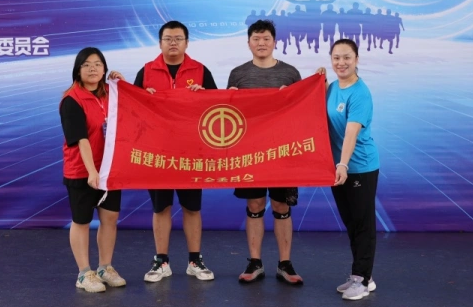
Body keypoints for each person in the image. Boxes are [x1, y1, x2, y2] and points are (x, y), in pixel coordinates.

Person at [133, 21, 218, 283]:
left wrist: (203, 95)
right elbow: (131, 110)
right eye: (168, 38)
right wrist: (142, 97)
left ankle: (195, 260)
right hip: (157, 153)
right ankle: (161, 261)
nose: (173, 43)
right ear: (159, 43)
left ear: (187, 43)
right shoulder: (146, 71)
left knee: (192, 207)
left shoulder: (200, 70)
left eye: (178, 38)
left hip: (190, 152)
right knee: (161, 208)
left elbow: (217, 108)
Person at [226, 20, 304, 285]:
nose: (261, 43)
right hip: (250, 151)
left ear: (275, 42)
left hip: (282, 151)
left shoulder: (290, 73)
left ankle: (285, 264)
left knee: (282, 205)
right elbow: (230, 116)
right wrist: (230, 98)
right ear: (248, 43)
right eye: (256, 39)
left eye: (266, 38)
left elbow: (302, 111)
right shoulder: (238, 74)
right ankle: (254, 262)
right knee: (255, 204)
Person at [315, 39, 380, 300]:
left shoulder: (360, 93)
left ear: (357, 59)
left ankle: (361, 280)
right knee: (352, 223)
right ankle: (363, 274)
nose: (341, 63)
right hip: (338, 168)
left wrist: (342, 164)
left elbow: (351, 133)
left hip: (360, 167)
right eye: (336, 58)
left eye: (347, 57)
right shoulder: (332, 87)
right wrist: (317, 84)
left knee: (363, 224)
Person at [59, 47, 126, 293]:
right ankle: (84, 273)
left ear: (104, 68)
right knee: (82, 221)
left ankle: (105, 268)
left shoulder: (111, 94)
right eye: (86, 65)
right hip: (82, 171)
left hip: (110, 169)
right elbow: (81, 139)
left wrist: (122, 84)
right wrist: (91, 171)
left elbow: (135, 110)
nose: (92, 69)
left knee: (110, 219)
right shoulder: (71, 100)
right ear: (78, 70)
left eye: (98, 64)